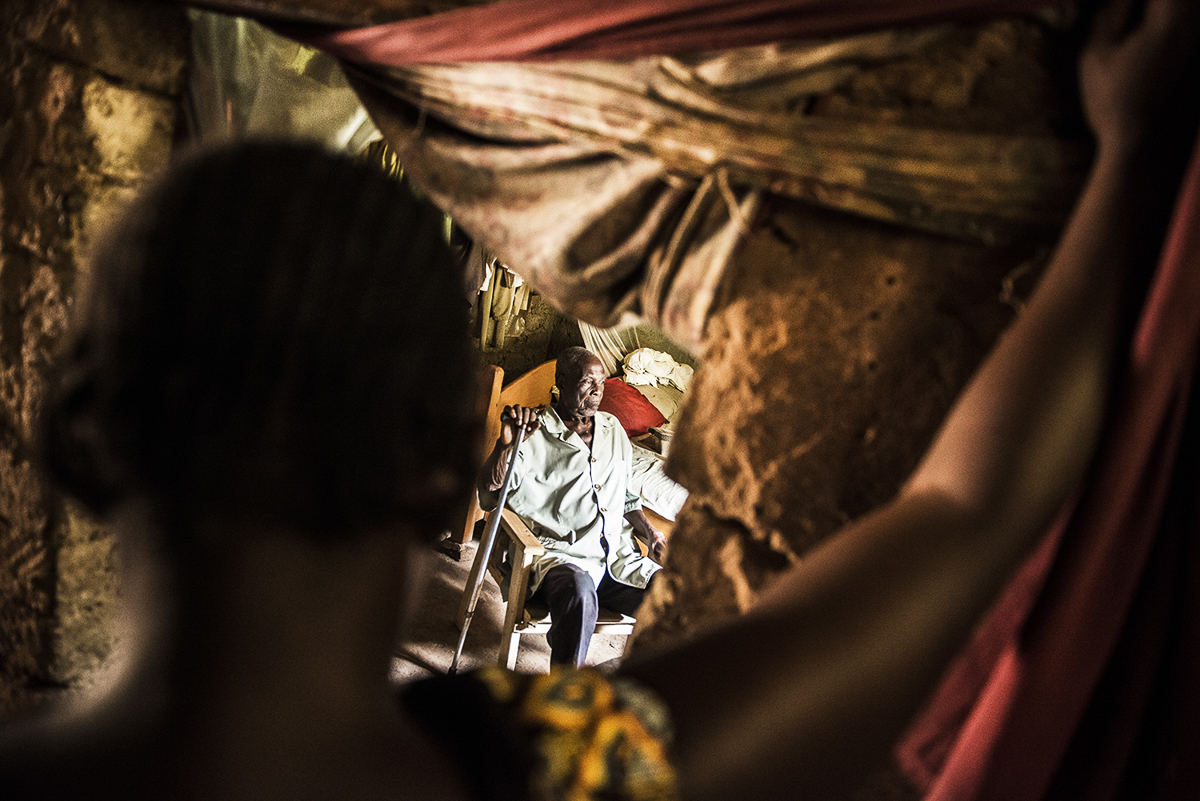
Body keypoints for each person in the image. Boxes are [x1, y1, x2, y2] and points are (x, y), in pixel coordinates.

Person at [0, 1, 1195, 798]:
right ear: (440, 463)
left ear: (75, 432)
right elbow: (964, 513)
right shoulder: (562, 769)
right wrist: (1139, 152)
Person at [477, 346, 667, 667]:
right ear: (561, 381)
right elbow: (488, 493)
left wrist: (651, 534)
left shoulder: (612, 429)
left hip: (617, 561)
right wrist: (506, 446)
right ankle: (566, 690)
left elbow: (626, 495)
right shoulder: (532, 431)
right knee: (578, 591)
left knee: (675, 594)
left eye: (601, 383)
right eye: (586, 382)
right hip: (561, 559)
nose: (596, 391)